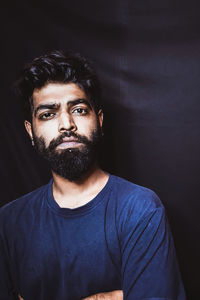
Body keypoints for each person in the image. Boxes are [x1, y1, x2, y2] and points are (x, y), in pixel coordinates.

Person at [0, 50, 186, 300]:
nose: (66, 124)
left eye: (78, 109)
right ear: (30, 131)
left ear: (98, 119)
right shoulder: (9, 221)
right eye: (47, 114)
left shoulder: (140, 209)